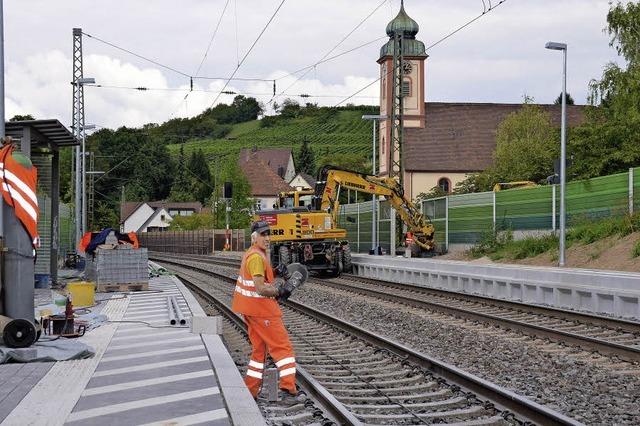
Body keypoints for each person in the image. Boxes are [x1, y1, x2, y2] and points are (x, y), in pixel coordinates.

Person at [231, 220, 303, 404]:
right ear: (254, 237)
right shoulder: (256, 257)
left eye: (268, 234)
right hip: (262, 311)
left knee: (259, 351)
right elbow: (260, 288)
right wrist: (281, 291)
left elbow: (261, 275)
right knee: (282, 348)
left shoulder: (254, 253)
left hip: (251, 310)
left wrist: (276, 272)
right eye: (263, 235)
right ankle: (288, 390)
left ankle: (251, 389)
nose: (267, 238)